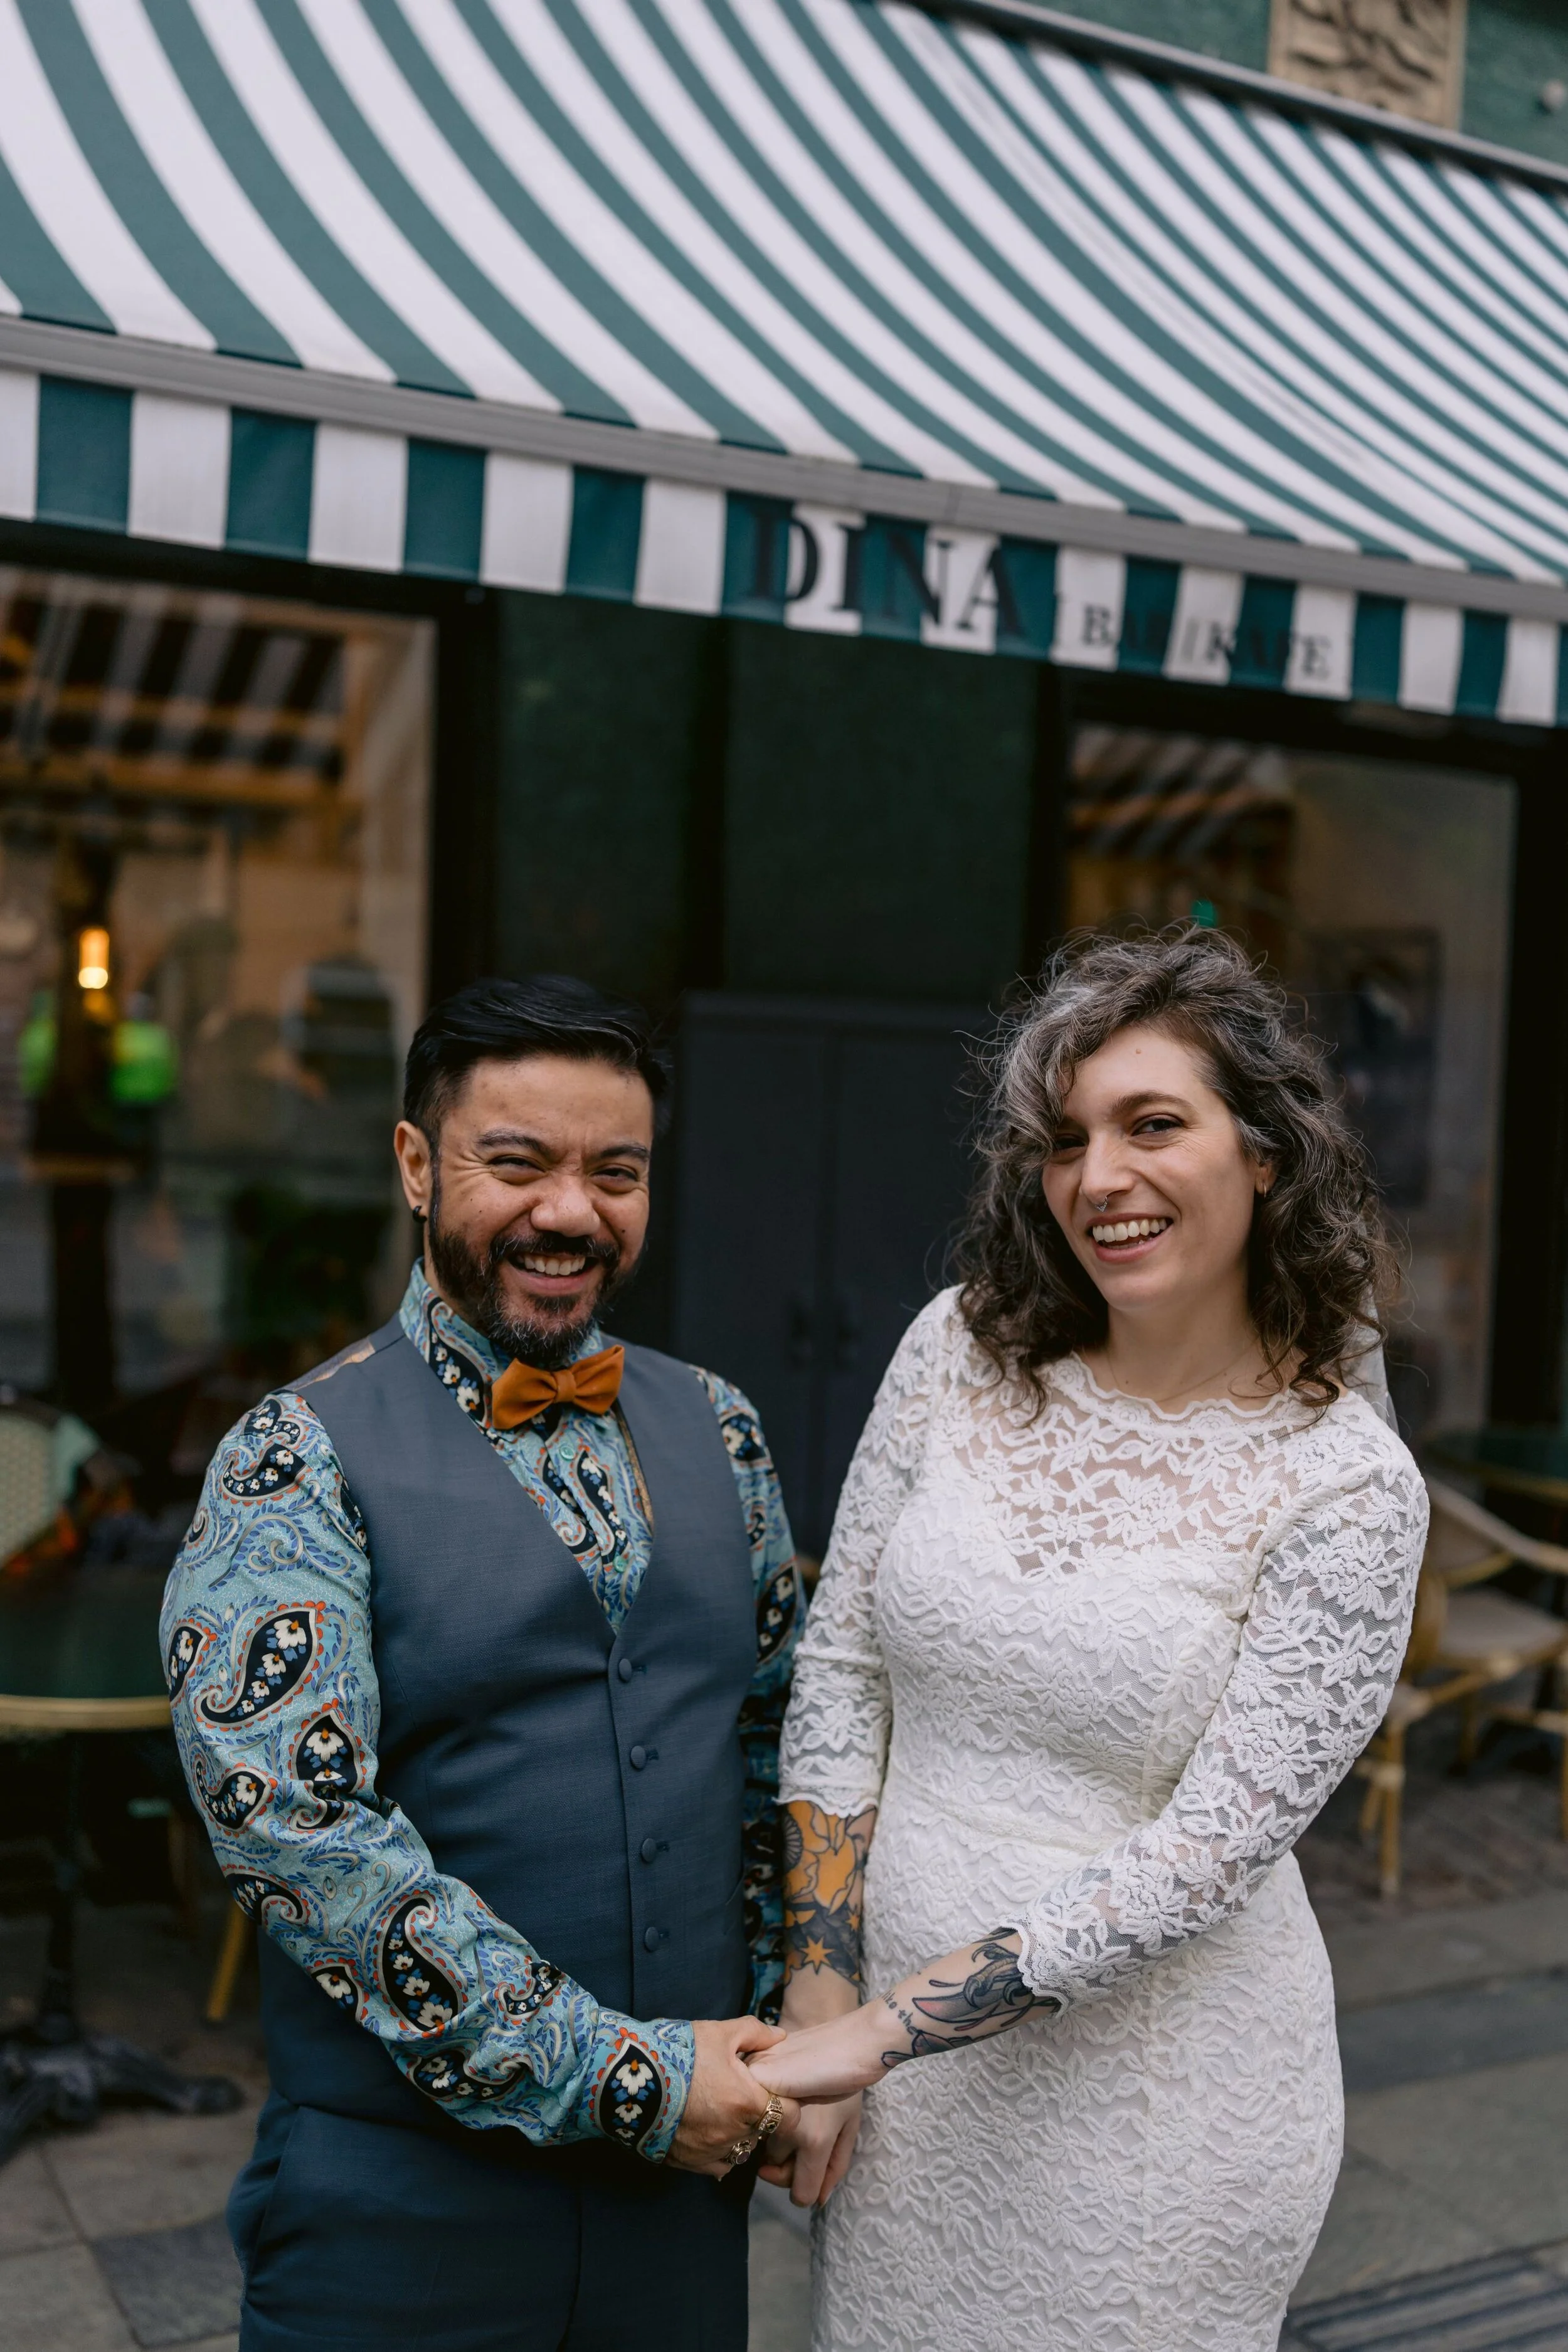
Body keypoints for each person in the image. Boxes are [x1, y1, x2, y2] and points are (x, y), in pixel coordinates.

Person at [750, 928, 1428, 2352]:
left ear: (1263, 1152)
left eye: (1151, 1124)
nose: (1097, 1178)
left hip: (1155, 2112)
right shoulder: (957, 1347)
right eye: (1061, 1140)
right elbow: (842, 1667)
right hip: (901, 2090)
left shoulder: (1343, 1483)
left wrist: (873, 2034)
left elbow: (1205, 1856)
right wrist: (822, 1979)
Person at [161, 977, 803, 2352]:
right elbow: (296, 1829)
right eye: (516, 1162)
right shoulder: (293, 1456)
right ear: (413, 1164)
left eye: (613, 1172)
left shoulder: (726, 1430)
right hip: (399, 2216)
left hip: (675, 2217)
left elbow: (773, 1748)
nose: (569, 1213)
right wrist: (628, 2077)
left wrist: (791, 2027)